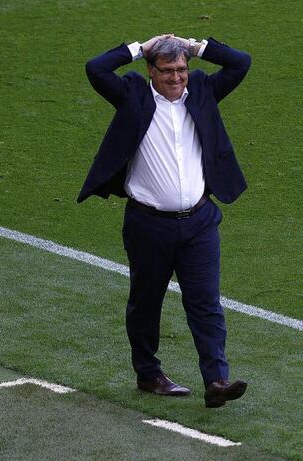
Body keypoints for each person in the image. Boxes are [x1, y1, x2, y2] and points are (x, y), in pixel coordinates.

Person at [78, 34, 251, 408]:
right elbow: (96, 68)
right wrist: (139, 47)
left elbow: (241, 62)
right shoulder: (133, 96)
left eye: (182, 69)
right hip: (148, 224)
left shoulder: (203, 90)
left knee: (206, 304)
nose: (177, 77)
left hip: (200, 222)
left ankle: (216, 380)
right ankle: (148, 373)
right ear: (151, 71)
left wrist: (198, 47)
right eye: (168, 70)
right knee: (146, 301)